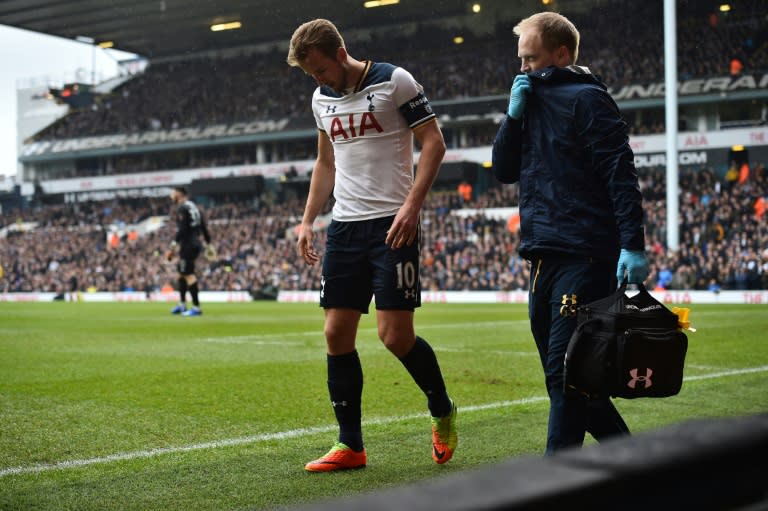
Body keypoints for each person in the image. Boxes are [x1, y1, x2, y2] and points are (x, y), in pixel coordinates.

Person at [287, 18, 457, 472]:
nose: (317, 80)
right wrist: (307, 221)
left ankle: (442, 408)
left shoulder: (393, 81)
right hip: (344, 227)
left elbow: (434, 143)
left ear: (339, 54)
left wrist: (412, 206)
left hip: (392, 225)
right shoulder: (321, 99)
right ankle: (351, 446)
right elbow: (326, 164)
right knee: (335, 333)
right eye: (310, 75)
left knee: (394, 336)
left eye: (320, 69)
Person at [491, 12, 649, 455]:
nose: (523, 68)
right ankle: (637, 464)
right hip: (542, 257)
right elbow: (503, 171)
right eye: (520, 59)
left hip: (585, 254)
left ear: (560, 54)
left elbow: (620, 172)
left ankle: (555, 483)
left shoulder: (586, 99)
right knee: (571, 381)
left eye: (531, 58)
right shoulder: (528, 101)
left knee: (567, 374)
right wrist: (513, 117)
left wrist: (632, 244)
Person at [166, 186, 215, 317]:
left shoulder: (182, 208)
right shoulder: (195, 207)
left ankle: (196, 307)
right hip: (195, 243)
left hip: (188, 245)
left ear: (180, 194)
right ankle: (182, 304)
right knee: (181, 274)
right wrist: (209, 244)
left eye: (174, 193)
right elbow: (203, 226)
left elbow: (181, 230)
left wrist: (172, 246)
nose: (172, 195)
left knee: (189, 275)